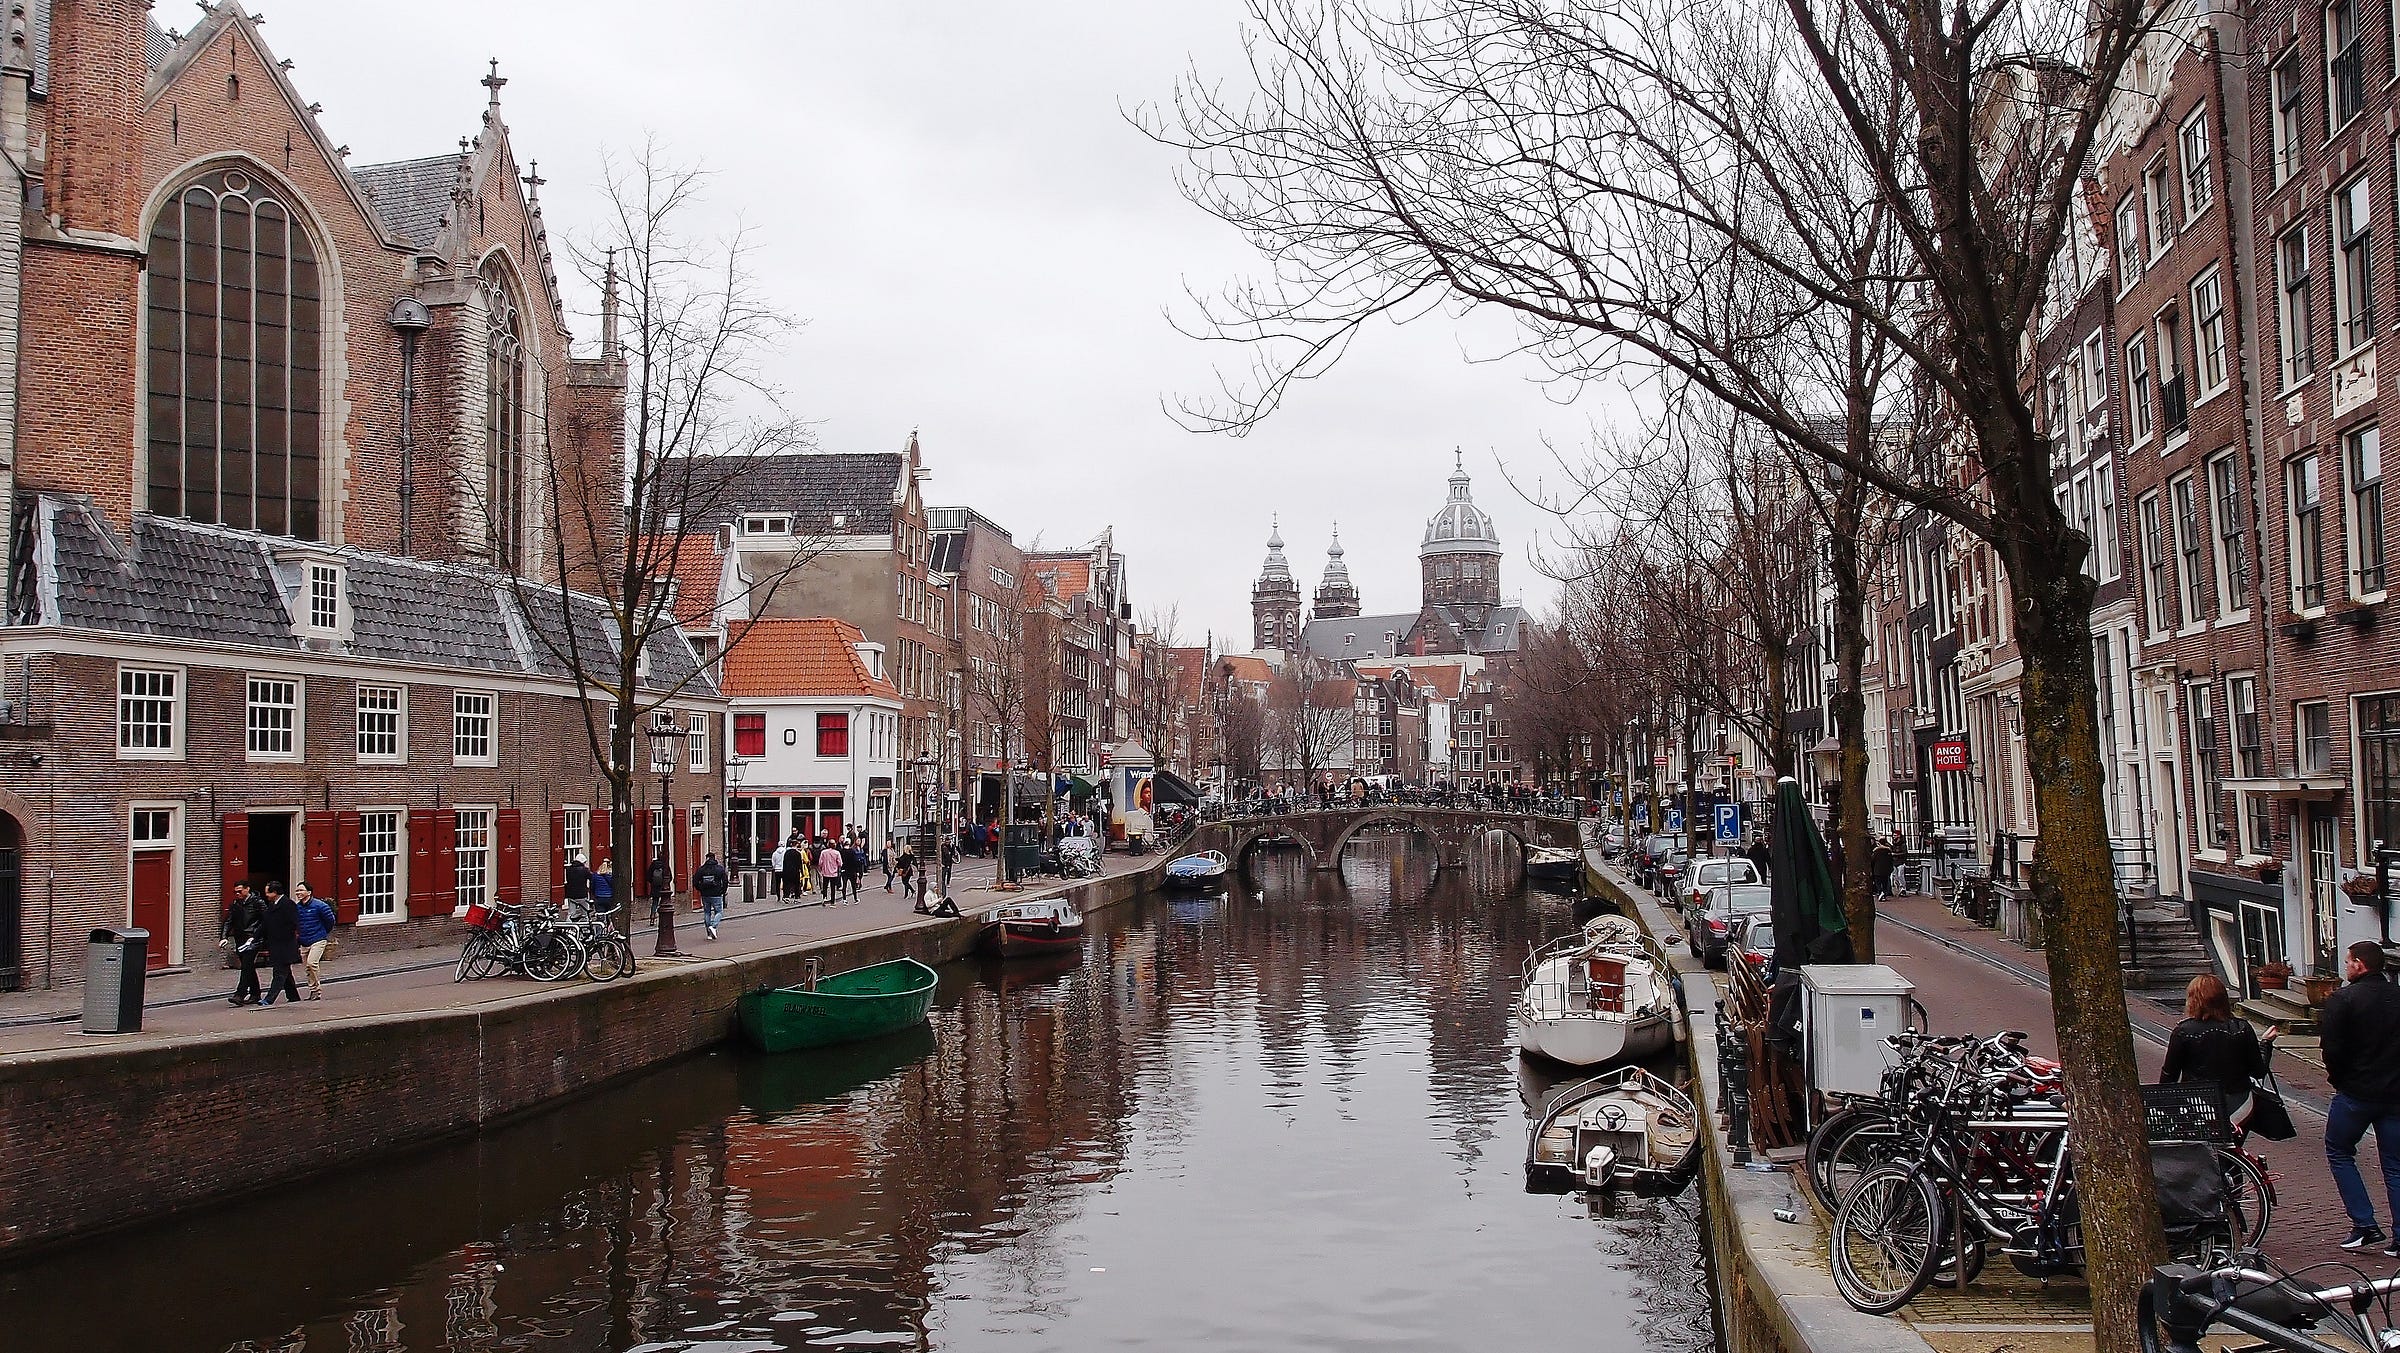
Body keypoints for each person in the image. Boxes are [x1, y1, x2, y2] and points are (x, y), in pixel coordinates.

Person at [2323, 940, 2400, 1253]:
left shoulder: (2343, 1000)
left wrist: (2340, 1080)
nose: (2345, 966)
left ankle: (2365, 1223)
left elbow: (2332, 1050)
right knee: (2395, 1166)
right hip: (2396, 1095)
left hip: (2356, 1093)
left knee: (2338, 1150)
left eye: (2348, 961)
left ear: (2359, 964)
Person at [2160, 974, 2275, 1134]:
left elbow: (2169, 1075)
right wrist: (2266, 1044)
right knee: (2233, 1147)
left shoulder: (2183, 1032)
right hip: (2239, 1103)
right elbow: (2258, 1071)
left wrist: (2165, 1104)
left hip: (2198, 1105)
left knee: (2204, 1151)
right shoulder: (2242, 1028)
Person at [258, 882, 302, 1007]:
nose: (266, 895)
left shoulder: (288, 905)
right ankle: (293, 996)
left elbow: (293, 924)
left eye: (268, 892)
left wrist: (282, 935)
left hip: (285, 945)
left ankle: (269, 999)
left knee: (279, 973)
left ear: (275, 892)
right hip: (275, 944)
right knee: (286, 972)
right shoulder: (272, 905)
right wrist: (254, 938)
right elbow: (265, 924)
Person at [222, 881, 267, 1006]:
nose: (237, 894)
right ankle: (255, 994)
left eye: (240, 891)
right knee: (249, 967)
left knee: (246, 965)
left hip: (253, 940)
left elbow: (266, 920)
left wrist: (257, 935)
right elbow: (228, 921)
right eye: (235, 891)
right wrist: (223, 937)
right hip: (240, 940)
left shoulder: (258, 902)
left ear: (247, 889)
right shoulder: (236, 904)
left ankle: (240, 994)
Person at [292, 880, 336, 1000]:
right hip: (304, 940)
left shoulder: (320, 906)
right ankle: (313, 990)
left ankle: (317, 990)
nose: (298, 893)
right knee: (307, 968)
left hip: (318, 939)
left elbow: (330, 921)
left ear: (309, 892)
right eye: (297, 890)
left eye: (301, 890)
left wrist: (322, 933)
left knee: (312, 963)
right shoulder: (297, 907)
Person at [693, 851, 730, 941]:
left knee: (707, 912)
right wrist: (723, 891)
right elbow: (725, 881)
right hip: (716, 893)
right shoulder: (719, 869)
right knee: (719, 912)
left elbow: (695, 881)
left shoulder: (701, 869)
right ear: (714, 858)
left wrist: (700, 889)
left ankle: (709, 933)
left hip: (705, 894)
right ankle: (713, 926)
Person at [646, 851, 673, 923]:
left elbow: (648, 876)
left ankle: (652, 917)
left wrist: (653, 882)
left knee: (655, 902)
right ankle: (663, 917)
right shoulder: (665, 865)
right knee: (664, 903)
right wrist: (665, 884)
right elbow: (670, 877)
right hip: (663, 887)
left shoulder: (653, 865)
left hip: (655, 887)